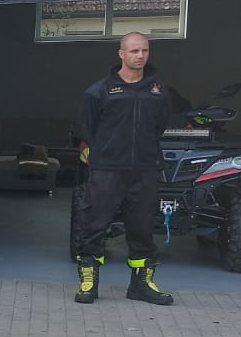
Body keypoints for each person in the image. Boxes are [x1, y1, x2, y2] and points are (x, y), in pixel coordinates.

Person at [74, 30, 174, 305]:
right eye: (134, 51)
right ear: (121, 53)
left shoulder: (158, 91)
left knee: (142, 228)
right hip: (107, 170)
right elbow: (87, 128)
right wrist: (107, 152)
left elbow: (160, 125)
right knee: (94, 224)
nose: (140, 56)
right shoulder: (99, 91)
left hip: (145, 169)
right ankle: (89, 283)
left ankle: (141, 286)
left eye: (144, 50)